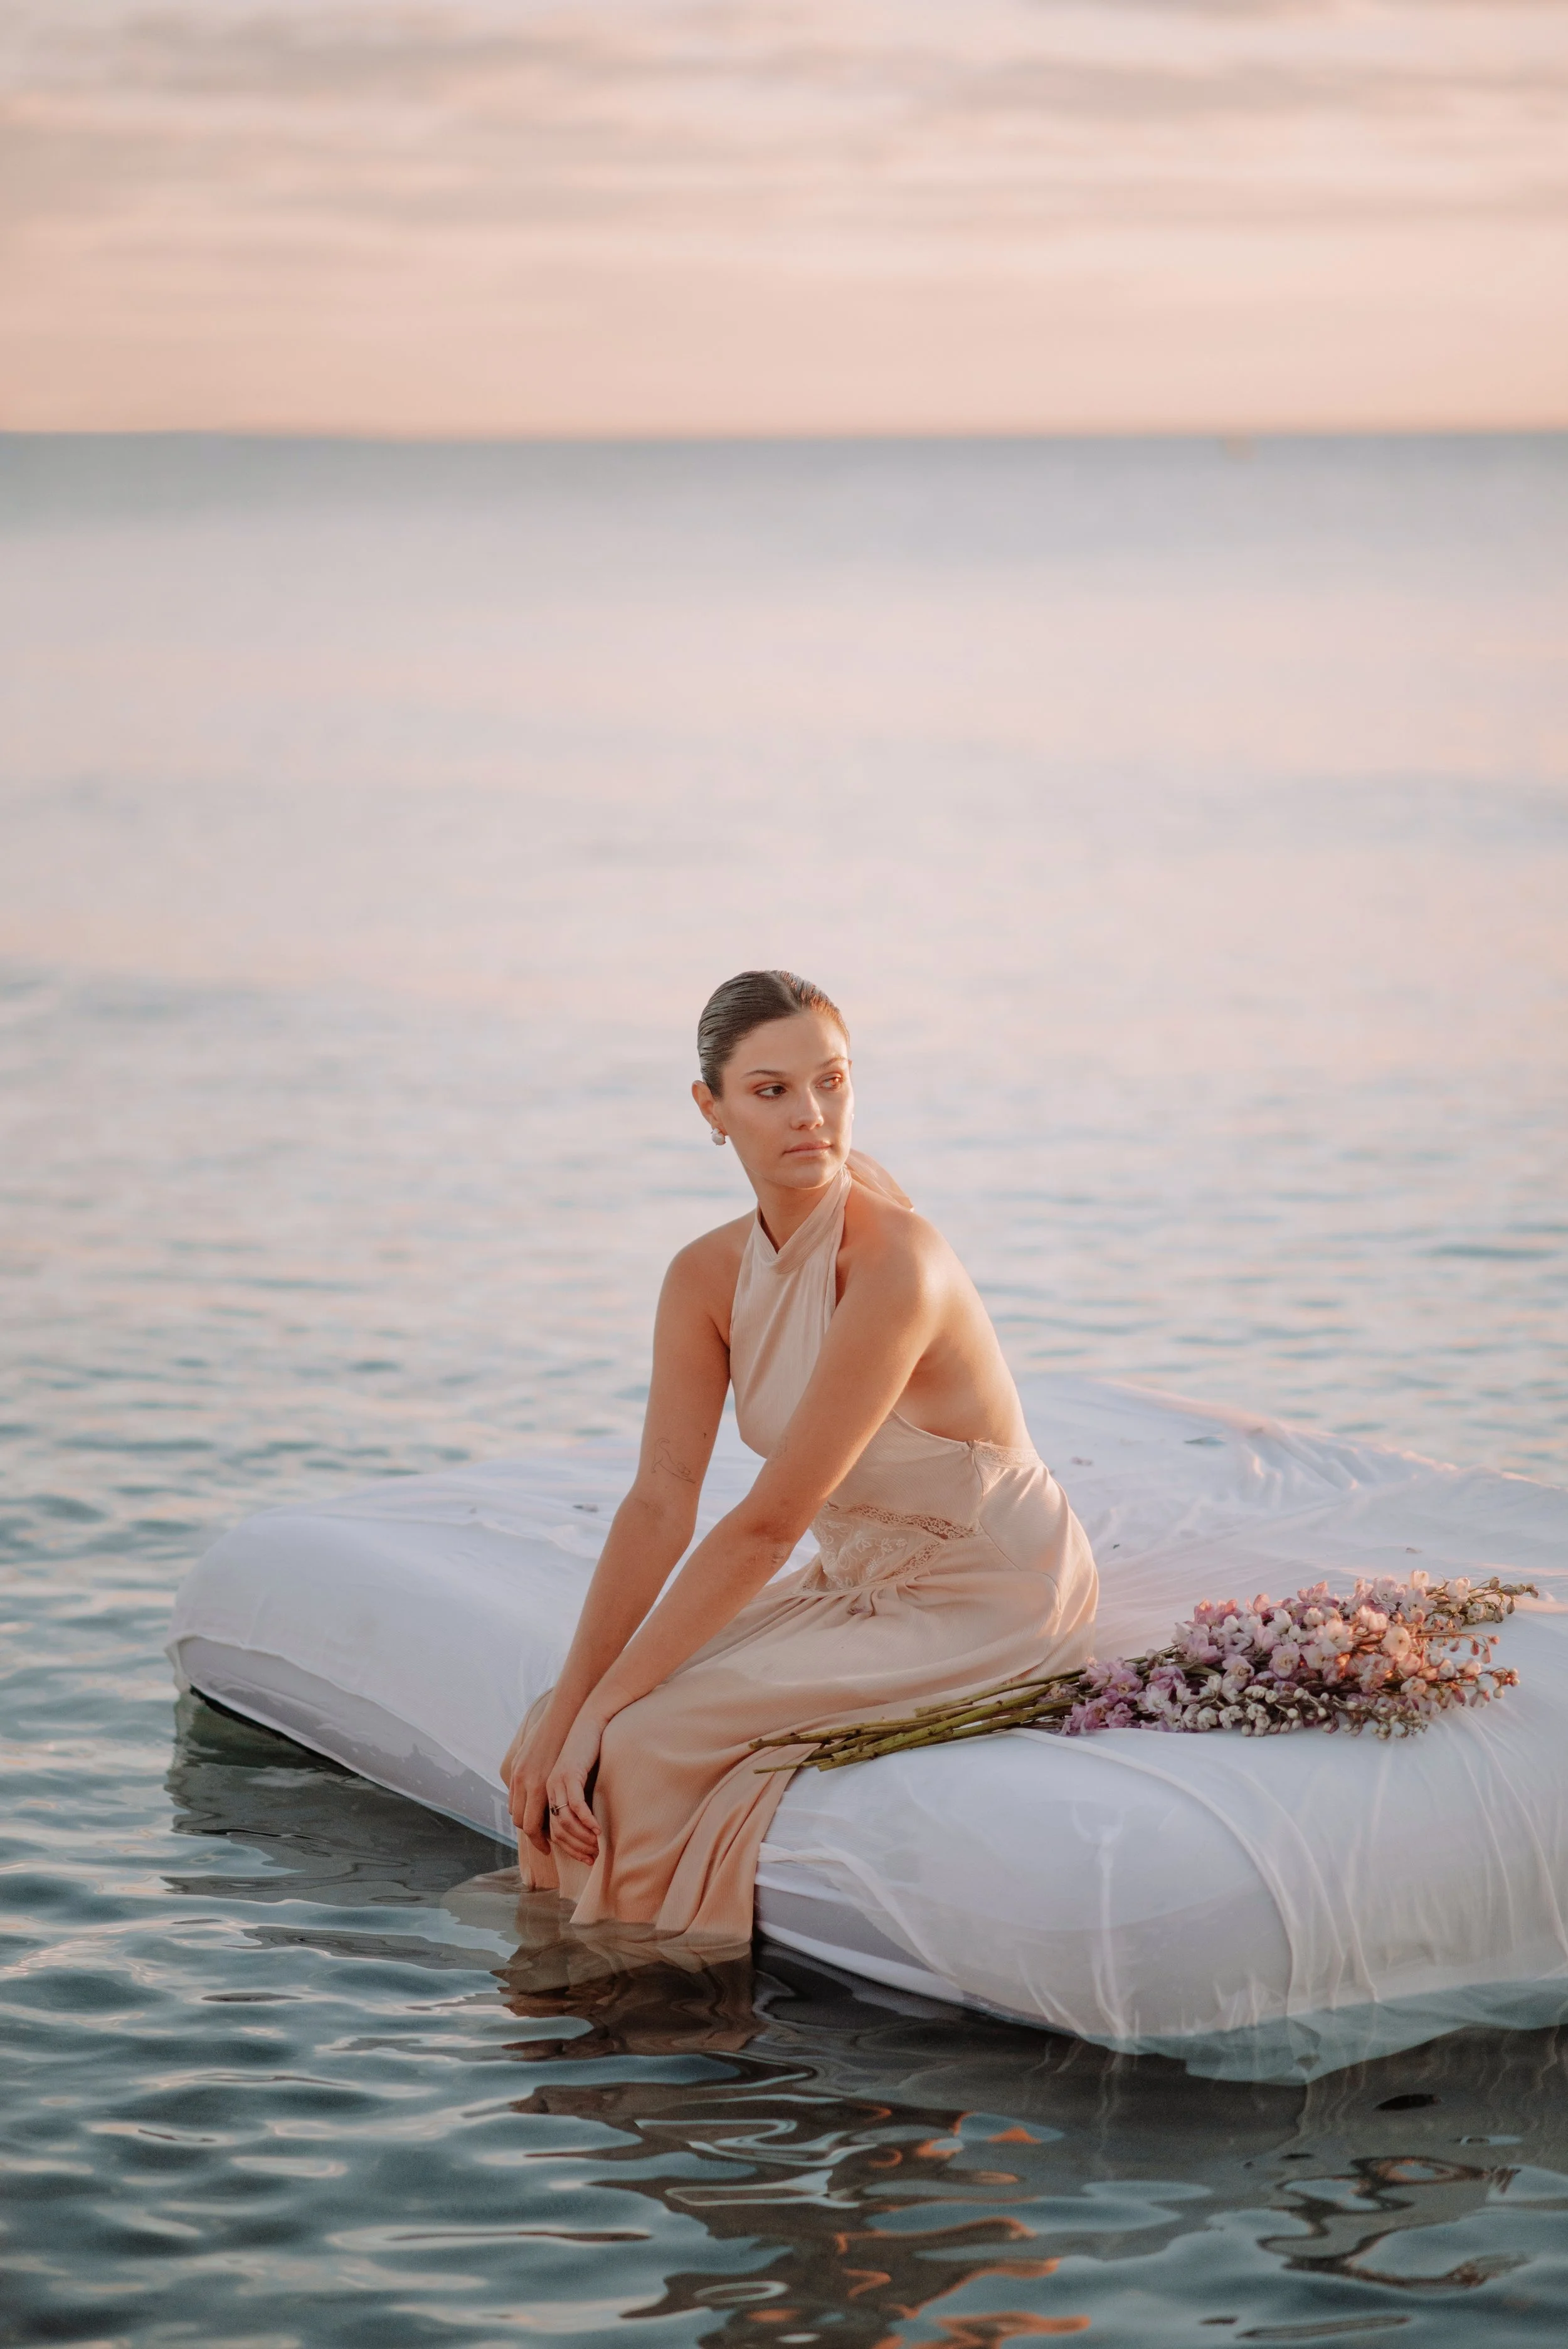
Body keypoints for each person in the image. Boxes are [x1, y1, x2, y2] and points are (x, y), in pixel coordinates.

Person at [499, 970, 1098, 1939]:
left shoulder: (899, 1260)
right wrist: (576, 1706)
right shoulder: (701, 1275)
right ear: (713, 1109)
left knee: (640, 1744)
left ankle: (652, 2016)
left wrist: (609, 1710)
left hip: (991, 1589)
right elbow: (659, 1500)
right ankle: (562, 1975)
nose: (811, 1115)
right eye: (772, 1091)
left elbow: (767, 1526)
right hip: (855, 1581)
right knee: (547, 1729)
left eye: (833, 1081)